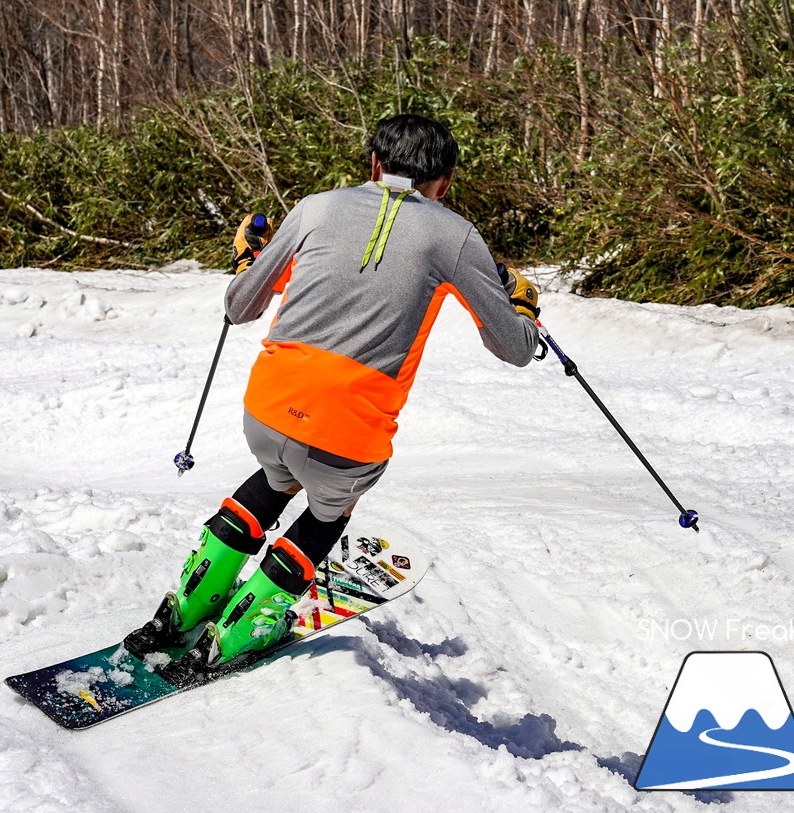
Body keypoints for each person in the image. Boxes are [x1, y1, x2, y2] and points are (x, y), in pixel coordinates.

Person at [125, 114, 542, 673]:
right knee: (329, 504)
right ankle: (244, 628)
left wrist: (252, 259)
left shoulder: (314, 207)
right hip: (347, 433)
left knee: (280, 472)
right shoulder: (456, 235)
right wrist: (522, 305)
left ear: (374, 164)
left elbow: (238, 305)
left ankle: (186, 607)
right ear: (444, 181)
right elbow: (514, 347)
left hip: (266, 413)